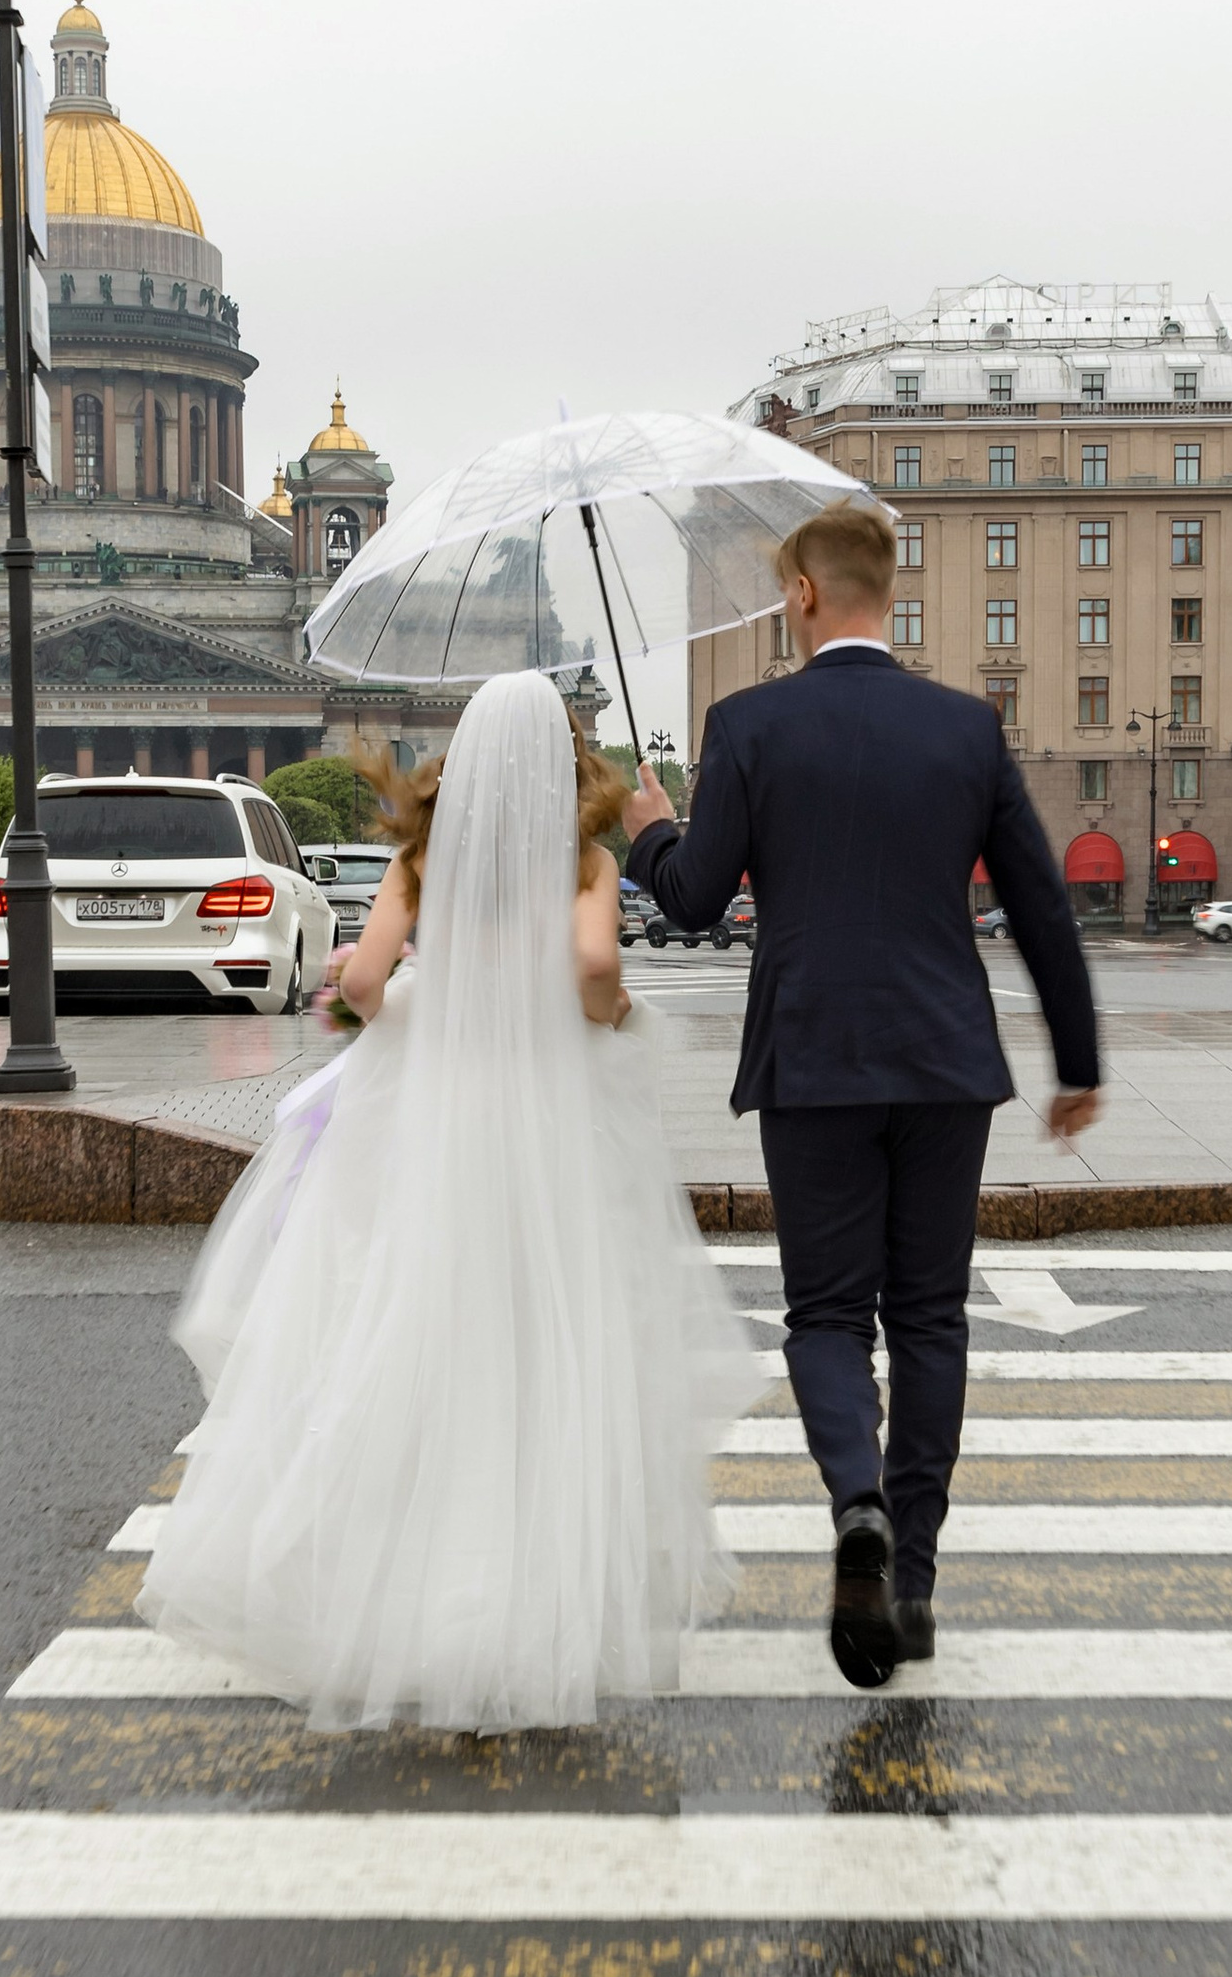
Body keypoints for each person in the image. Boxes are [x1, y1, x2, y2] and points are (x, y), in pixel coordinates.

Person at [138, 669, 759, 1729]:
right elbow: (594, 967)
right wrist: (603, 1012)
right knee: (545, 1359)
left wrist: (417, 1002)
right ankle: (529, 1609)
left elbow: (366, 987)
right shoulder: (586, 862)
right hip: (549, 1136)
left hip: (435, 1131)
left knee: (414, 1344)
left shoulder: (422, 864)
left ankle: (407, 1605)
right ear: (565, 764)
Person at [623, 500, 1101, 1687]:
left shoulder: (748, 723)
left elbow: (689, 900)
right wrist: (1078, 1062)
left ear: (799, 596)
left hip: (813, 1056)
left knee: (827, 1316)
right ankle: (919, 1580)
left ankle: (856, 1509)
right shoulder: (964, 728)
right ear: (888, 594)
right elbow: (1040, 903)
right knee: (930, 1318)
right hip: (944, 1060)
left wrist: (647, 831)